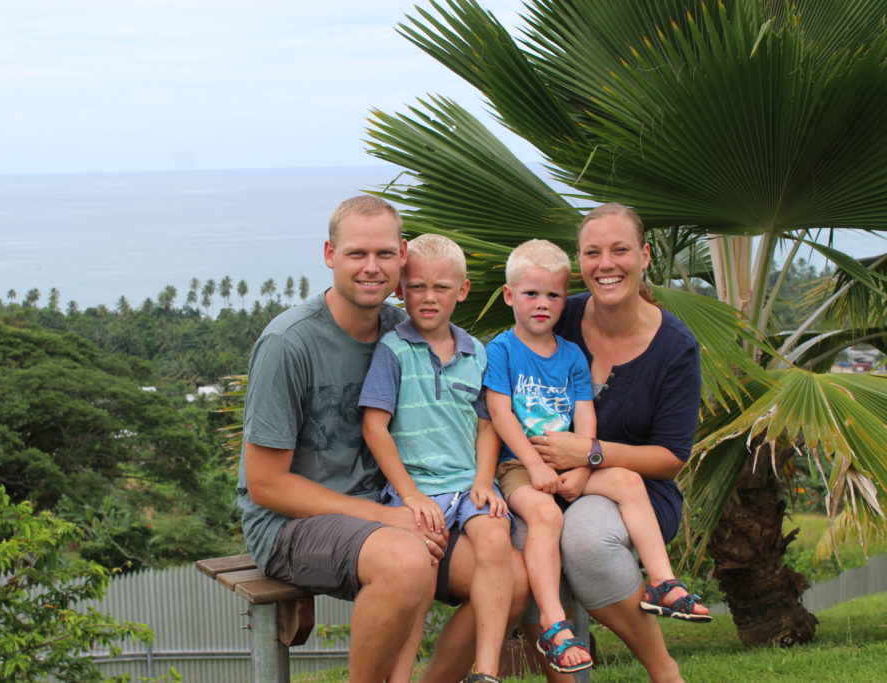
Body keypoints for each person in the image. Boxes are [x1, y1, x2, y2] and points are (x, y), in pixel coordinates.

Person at [237, 195, 528, 683]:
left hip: (396, 507)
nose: (371, 268)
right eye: (356, 254)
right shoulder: (289, 344)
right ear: (330, 255)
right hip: (291, 525)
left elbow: (470, 408)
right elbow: (266, 485)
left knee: (512, 582)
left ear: (403, 256)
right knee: (406, 559)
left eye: (384, 255)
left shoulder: (407, 332)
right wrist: (390, 518)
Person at [484, 239, 710, 674]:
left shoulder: (572, 353)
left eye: (553, 295)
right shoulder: (503, 348)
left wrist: (586, 466)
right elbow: (498, 412)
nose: (543, 304)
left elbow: (586, 416)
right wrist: (533, 465)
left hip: (573, 466)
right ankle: (555, 623)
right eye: (531, 295)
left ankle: (663, 582)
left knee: (626, 482)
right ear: (511, 296)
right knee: (538, 526)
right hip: (522, 468)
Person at [359, 234, 512, 683]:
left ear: (461, 291)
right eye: (418, 287)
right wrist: (408, 495)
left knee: (495, 539)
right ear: (400, 290)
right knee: (417, 578)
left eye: (441, 287)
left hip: (468, 484)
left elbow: (486, 424)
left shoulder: (476, 353)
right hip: (415, 491)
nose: (429, 298)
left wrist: (485, 478)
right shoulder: (393, 351)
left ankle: (485, 671)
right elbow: (374, 427)